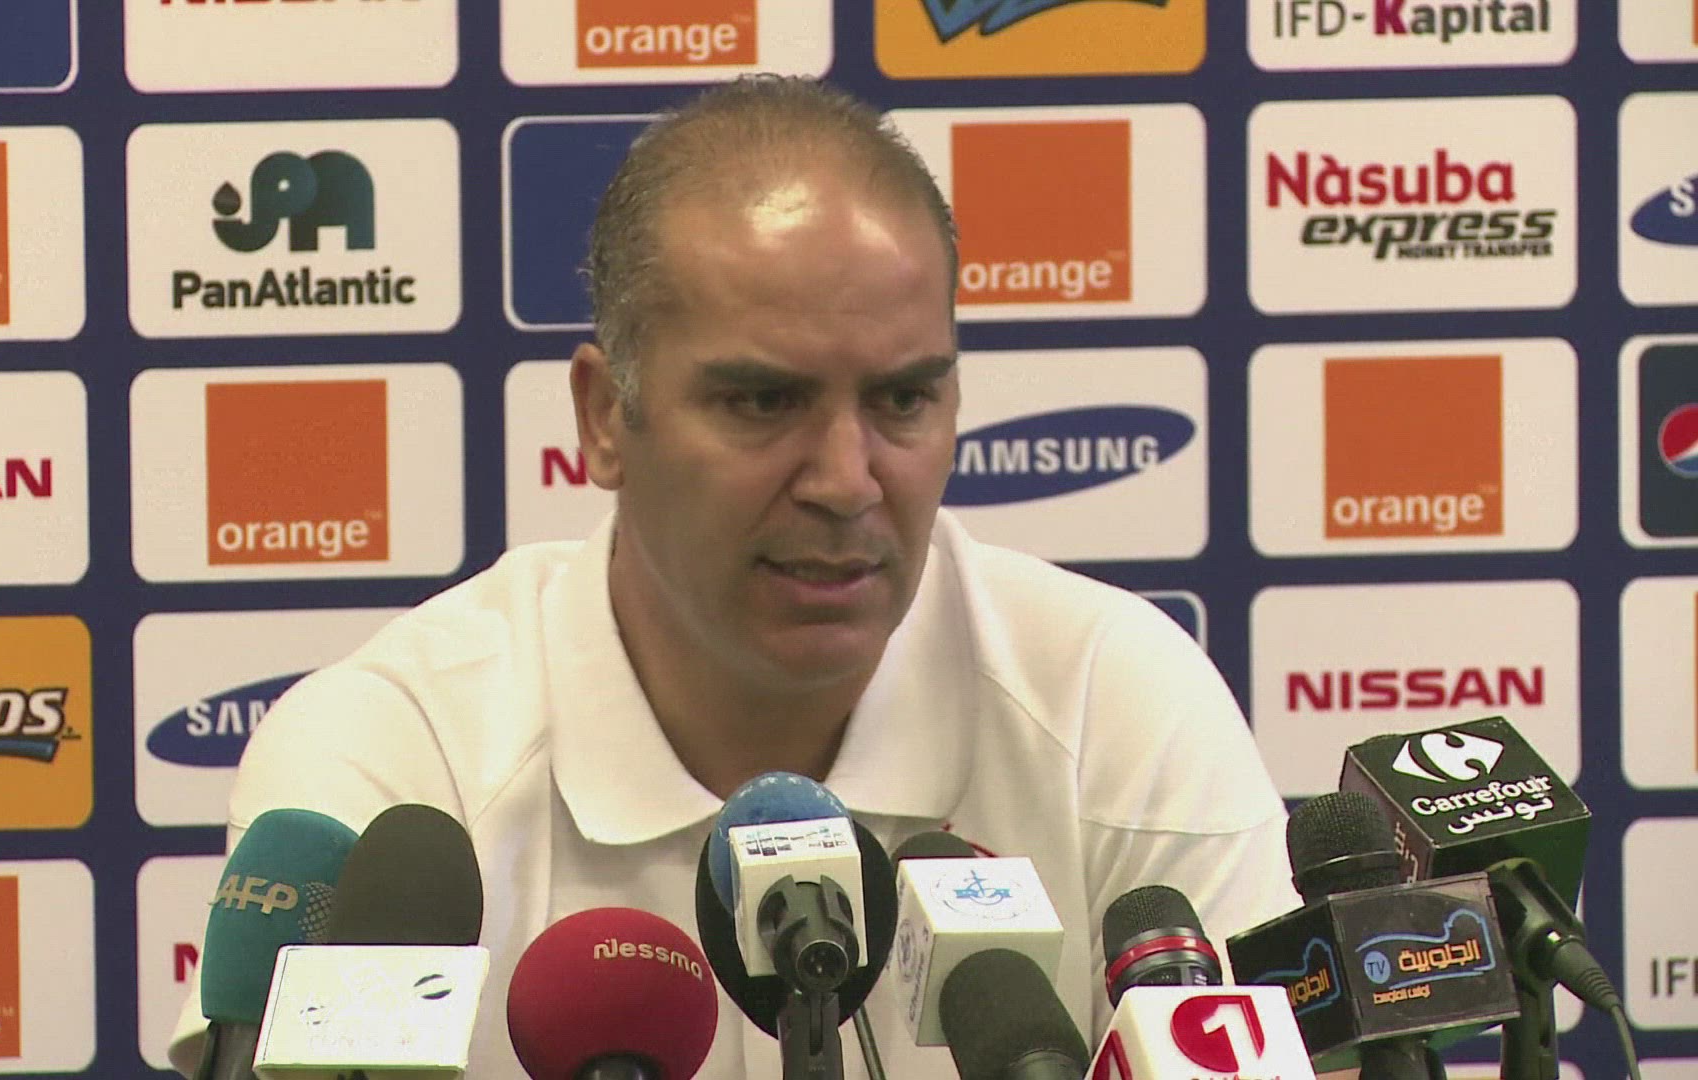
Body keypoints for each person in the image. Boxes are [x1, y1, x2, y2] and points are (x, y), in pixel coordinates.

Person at [167, 76, 1298, 1079]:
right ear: (606, 418)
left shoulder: (1114, 704)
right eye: (763, 401)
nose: (847, 481)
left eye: (904, 399)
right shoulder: (395, 758)